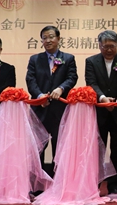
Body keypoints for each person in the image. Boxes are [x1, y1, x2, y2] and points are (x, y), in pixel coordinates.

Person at [85, 30, 117, 194]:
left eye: (112, 46)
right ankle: (95, 186)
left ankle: (115, 187)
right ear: (99, 45)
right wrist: (103, 98)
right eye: (105, 46)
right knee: (97, 151)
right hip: (100, 112)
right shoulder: (91, 61)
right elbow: (91, 83)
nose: (109, 49)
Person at [25, 26, 78, 172]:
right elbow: (30, 80)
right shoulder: (35, 59)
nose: (48, 40)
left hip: (59, 110)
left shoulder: (68, 58)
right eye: (44, 38)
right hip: (39, 110)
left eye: (51, 37)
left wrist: (61, 88)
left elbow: (72, 77)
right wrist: (40, 96)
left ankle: (58, 179)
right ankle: (38, 180)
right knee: (38, 148)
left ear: (58, 38)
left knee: (59, 147)